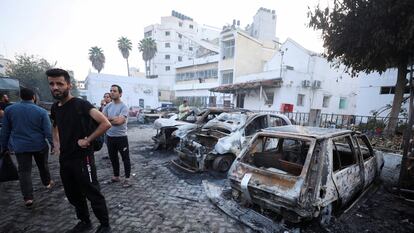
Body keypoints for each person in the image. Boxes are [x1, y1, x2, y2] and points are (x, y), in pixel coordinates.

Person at [47, 68, 112, 233]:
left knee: (92, 192)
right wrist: (56, 144)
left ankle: (104, 225)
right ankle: (84, 221)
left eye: (59, 84)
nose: (55, 87)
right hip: (66, 159)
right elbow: (54, 126)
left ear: (68, 85)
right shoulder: (55, 108)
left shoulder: (81, 104)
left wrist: (88, 140)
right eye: (52, 84)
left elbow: (105, 123)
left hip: (84, 158)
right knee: (73, 194)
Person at [0, 88, 54, 207]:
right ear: (34, 97)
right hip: (39, 145)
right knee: (43, 166)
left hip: (20, 147)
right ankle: (47, 183)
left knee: (24, 171)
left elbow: (5, 131)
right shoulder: (41, 111)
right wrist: (53, 145)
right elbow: (48, 131)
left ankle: (28, 198)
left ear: (20, 97)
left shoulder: (9, 110)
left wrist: (4, 147)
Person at [103, 85, 131, 188]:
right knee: (113, 158)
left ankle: (127, 179)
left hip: (121, 137)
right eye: (111, 91)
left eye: (114, 91)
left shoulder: (124, 107)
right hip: (110, 137)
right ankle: (116, 176)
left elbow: (120, 121)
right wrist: (113, 119)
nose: (112, 92)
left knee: (125, 158)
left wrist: (108, 119)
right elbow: (102, 120)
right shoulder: (108, 106)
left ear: (120, 93)